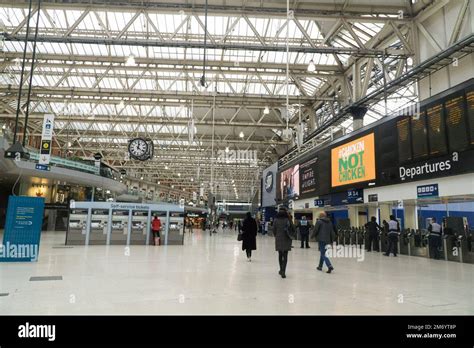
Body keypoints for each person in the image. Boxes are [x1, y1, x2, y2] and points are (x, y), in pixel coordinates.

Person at [272, 207, 294, 278]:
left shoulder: (275, 220)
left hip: (278, 238)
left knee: (280, 254)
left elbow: (274, 230)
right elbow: (293, 228)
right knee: (285, 255)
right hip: (287, 238)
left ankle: (281, 269)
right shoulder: (288, 219)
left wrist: (276, 235)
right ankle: (283, 271)